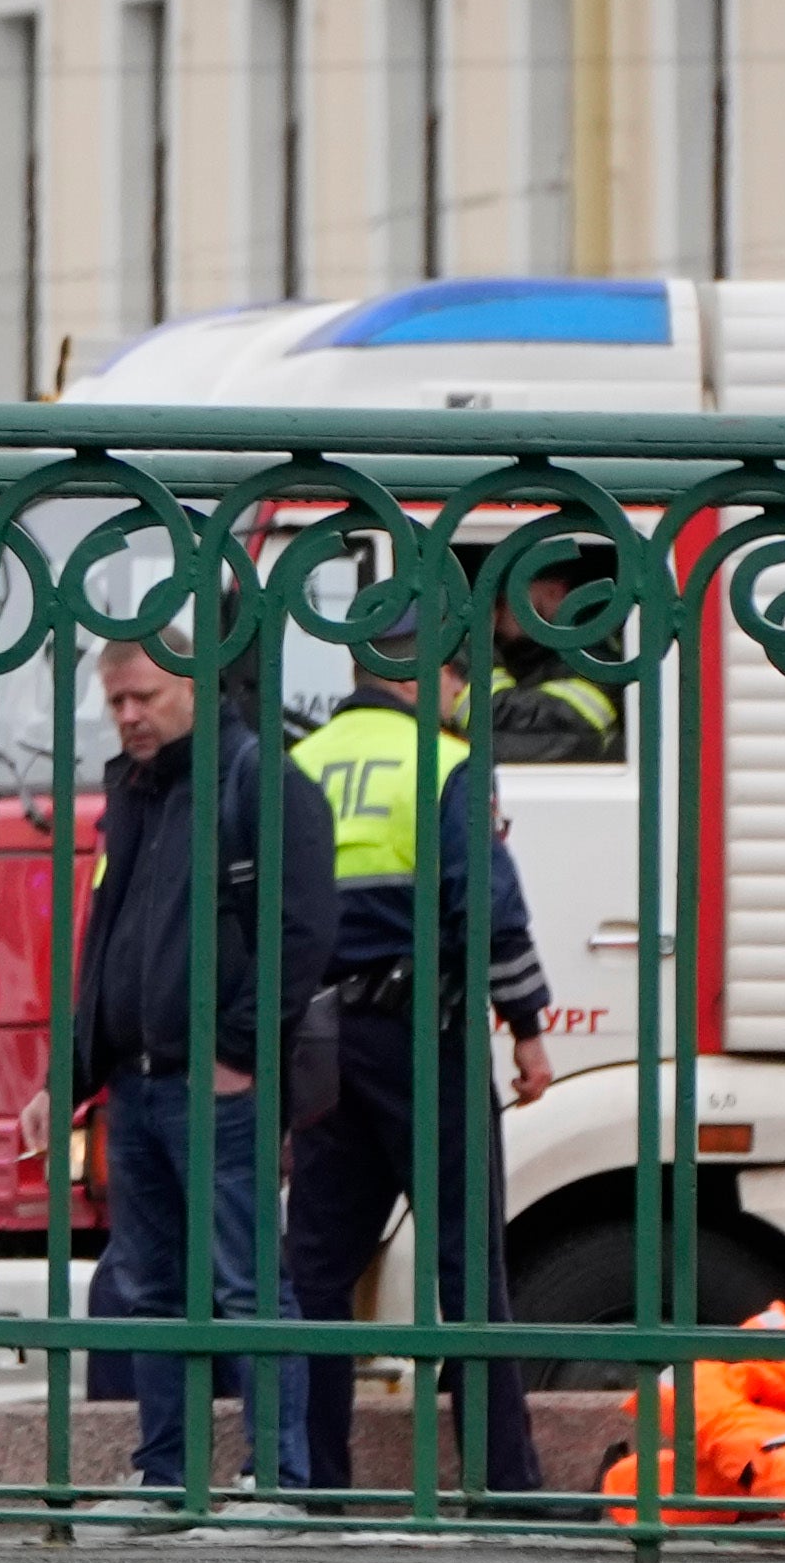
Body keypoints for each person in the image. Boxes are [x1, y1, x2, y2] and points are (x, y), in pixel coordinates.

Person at [279, 642, 559, 1505]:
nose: (458, 693)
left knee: (317, 1270)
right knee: (466, 1265)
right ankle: (501, 1483)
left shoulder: (297, 765)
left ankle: (317, 1484)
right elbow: (488, 907)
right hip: (422, 1034)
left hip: (320, 1043)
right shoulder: (446, 762)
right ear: (415, 677)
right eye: (452, 677)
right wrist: (525, 1026)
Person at [75, 628, 310, 1498]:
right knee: (153, 1294)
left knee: (247, 1289)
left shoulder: (257, 778)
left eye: (144, 697)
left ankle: (275, 1480)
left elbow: (298, 929)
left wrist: (240, 1051)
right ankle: (165, 1476)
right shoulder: (136, 793)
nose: (129, 716)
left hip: (214, 1085)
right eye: (116, 703)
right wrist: (73, 1074)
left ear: (194, 687)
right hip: (134, 1087)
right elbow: (106, 942)